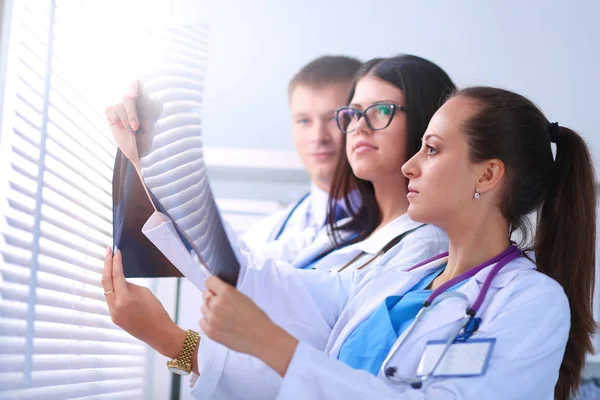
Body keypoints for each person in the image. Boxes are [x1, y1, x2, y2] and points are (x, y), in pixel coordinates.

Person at [115, 86, 595, 399]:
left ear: (488, 174)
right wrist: (152, 158)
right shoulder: (395, 281)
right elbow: (258, 277)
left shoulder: (532, 302)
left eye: (431, 149)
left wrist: (263, 341)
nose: (411, 165)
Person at [241, 55, 362, 250]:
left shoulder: (410, 229)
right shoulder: (259, 240)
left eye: (333, 119)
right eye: (304, 121)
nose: (318, 137)